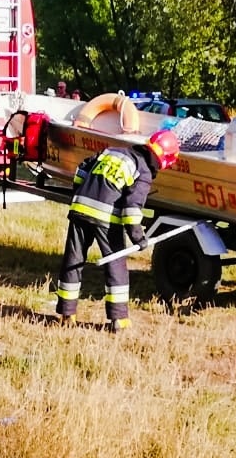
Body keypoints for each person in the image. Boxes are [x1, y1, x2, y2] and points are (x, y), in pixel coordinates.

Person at [55, 128, 181, 333]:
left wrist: (79, 193)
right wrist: (138, 238)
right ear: (165, 159)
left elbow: (82, 169)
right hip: (105, 217)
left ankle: (67, 313)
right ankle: (118, 320)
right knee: (116, 267)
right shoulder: (143, 171)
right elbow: (132, 209)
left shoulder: (112, 152)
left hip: (79, 209)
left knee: (73, 260)